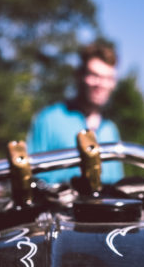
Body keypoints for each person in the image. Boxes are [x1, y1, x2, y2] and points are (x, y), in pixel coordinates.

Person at [26, 40, 124, 185]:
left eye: (108, 78)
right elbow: (31, 178)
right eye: (94, 75)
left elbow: (117, 185)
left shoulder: (111, 130)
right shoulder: (49, 119)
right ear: (79, 76)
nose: (100, 84)